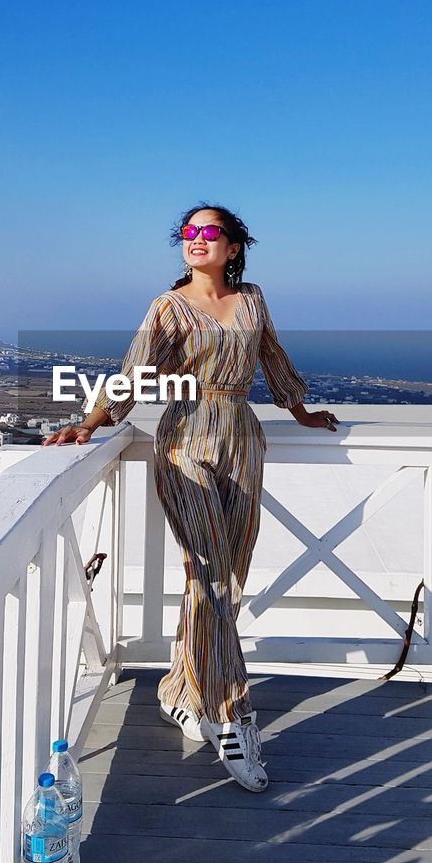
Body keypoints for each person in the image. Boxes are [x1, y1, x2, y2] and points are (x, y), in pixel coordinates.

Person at [42, 203, 338, 792]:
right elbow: (135, 371)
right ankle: (233, 714)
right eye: (189, 232)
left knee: (228, 572)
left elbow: (272, 355)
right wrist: (92, 422)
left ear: (233, 246)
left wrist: (299, 410)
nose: (196, 240)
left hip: (242, 439)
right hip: (187, 444)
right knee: (211, 576)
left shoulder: (252, 298)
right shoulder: (168, 307)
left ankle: (182, 688)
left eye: (210, 232)